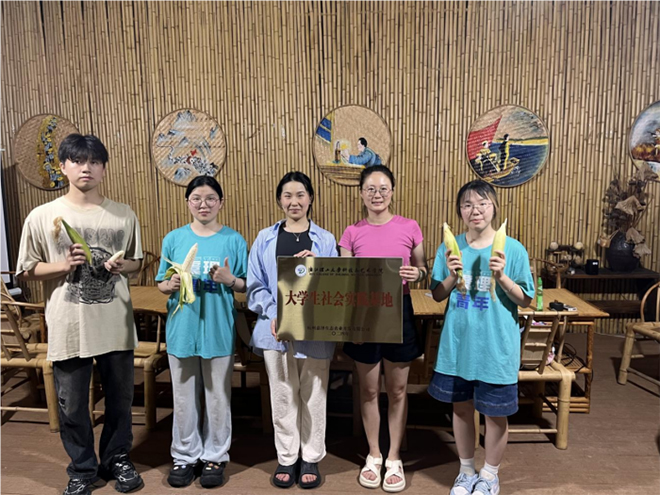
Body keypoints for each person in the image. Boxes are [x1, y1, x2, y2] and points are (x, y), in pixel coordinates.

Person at [16, 134, 144, 495]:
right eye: (77, 160)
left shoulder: (123, 213)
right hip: (69, 325)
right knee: (71, 405)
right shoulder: (43, 216)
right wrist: (63, 265)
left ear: (103, 168)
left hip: (115, 324)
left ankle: (117, 459)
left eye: (94, 161)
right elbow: (26, 270)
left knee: (120, 401)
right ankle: (83, 469)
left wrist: (122, 265)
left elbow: (136, 262)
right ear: (63, 167)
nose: (86, 168)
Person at [428, 180, 534, 495]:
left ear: (494, 207)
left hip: (496, 347)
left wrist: (501, 276)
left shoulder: (513, 249)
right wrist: (451, 274)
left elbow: (526, 300)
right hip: (458, 346)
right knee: (461, 409)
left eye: (482, 203)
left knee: (495, 414)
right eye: (467, 205)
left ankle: (489, 475)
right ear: (460, 211)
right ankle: (465, 471)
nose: (475, 210)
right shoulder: (450, 247)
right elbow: (437, 295)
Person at [156, 175, 248, 489]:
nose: (203, 204)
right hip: (182, 329)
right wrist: (169, 284)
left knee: (218, 396)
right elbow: (161, 282)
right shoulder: (174, 238)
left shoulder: (233, 240)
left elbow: (245, 285)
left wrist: (229, 280)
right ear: (188, 203)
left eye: (210, 198)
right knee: (183, 397)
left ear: (220, 202)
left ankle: (215, 456)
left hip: (218, 329)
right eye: (196, 198)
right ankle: (184, 455)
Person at [339, 165, 427, 493]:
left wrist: (418, 275)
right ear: (361, 193)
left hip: (398, 310)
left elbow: (422, 268)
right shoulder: (351, 233)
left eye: (383, 188)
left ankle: (394, 457)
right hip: (363, 313)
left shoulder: (410, 227)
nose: (377, 195)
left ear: (392, 191)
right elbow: (343, 278)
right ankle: (374, 455)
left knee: (398, 390)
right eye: (371, 189)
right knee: (368, 390)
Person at [247, 171, 337, 489]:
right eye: (287, 195)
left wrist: (320, 266)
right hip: (275, 330)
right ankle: (287, 457)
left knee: (314, 393)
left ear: (310, 199)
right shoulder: (264, 238)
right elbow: (255, 285)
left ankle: (310, 456)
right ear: (279, 200)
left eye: (300, 194)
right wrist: (275, 313)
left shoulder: (326, 240)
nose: (294, 201)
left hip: (316, 329)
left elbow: (338, 284)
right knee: (283, 394)